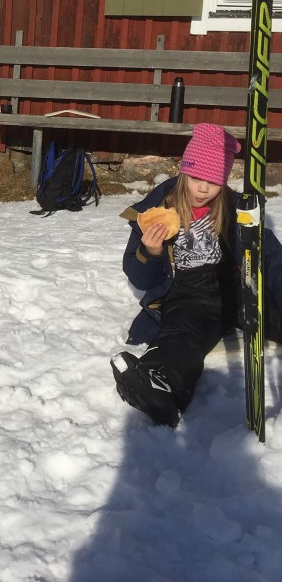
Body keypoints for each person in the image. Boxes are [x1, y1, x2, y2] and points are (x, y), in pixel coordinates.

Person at [112, 123, 282, 428]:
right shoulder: (157, 211)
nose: (203, 188)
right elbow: (141, 279)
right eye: (196, 178)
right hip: (188, 294)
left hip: (234, 284)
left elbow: (269, 254)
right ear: (183, 171)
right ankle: (160, 384)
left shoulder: (235, 208)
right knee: (183, 335)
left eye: (214, 181)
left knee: (271, 308)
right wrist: (150, 253)